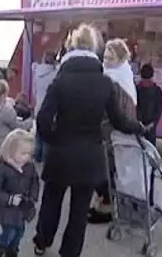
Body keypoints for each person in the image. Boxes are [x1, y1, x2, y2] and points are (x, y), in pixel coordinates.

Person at [32, 24, 144, 257]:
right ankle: (70, 252)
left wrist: (54, 138)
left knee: (51, 201)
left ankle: (42, 242)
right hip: (90, 155)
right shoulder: (104, 83)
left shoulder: (60, 79)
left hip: (61, 153)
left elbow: (43, 118)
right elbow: (120, 120)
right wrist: (139, 127)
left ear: (70, 47)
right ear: (95, 49)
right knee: (79, 211)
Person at [88, 38, 139, 224]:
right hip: (106, 130)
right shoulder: (114, 76)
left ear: (120, 59)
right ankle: (99, 205)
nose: (106, 60)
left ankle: (106, 209)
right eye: (105, 56)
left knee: (106, 171)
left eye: (111, 57)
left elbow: (119, 113)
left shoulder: (117, 80)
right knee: (101, 170)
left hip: (112, 133)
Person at [0, 129, 40, 257]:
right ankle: (0, 248)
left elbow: (35, 181)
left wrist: (33, 196)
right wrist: (10, 199)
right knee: (9, 232)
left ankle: (13, 251)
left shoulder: (29, 166)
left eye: (29, 154)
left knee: (20, 232)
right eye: (23, 153)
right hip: (5, 209)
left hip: (22, 208)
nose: (27, 157)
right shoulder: (0, 169)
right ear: (10, 151)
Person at [32, 51, 58, 162]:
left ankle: (36, 157)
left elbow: (34, 91)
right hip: (51, 109)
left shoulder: (37, 73)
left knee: (38, 134)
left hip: (38, 106)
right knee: (47, 136)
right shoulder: (56, 74)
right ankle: (45, 159)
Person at [136, 64, 162, 146]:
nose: (146, 84)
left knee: (150, 148)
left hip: (150, 126)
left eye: (148, 81)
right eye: (144, 81)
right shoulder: (137, 89)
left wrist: (153, 123)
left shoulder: (157, 91)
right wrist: (139, 122)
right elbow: (135, 107)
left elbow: (159, 108)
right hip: (139, 125)